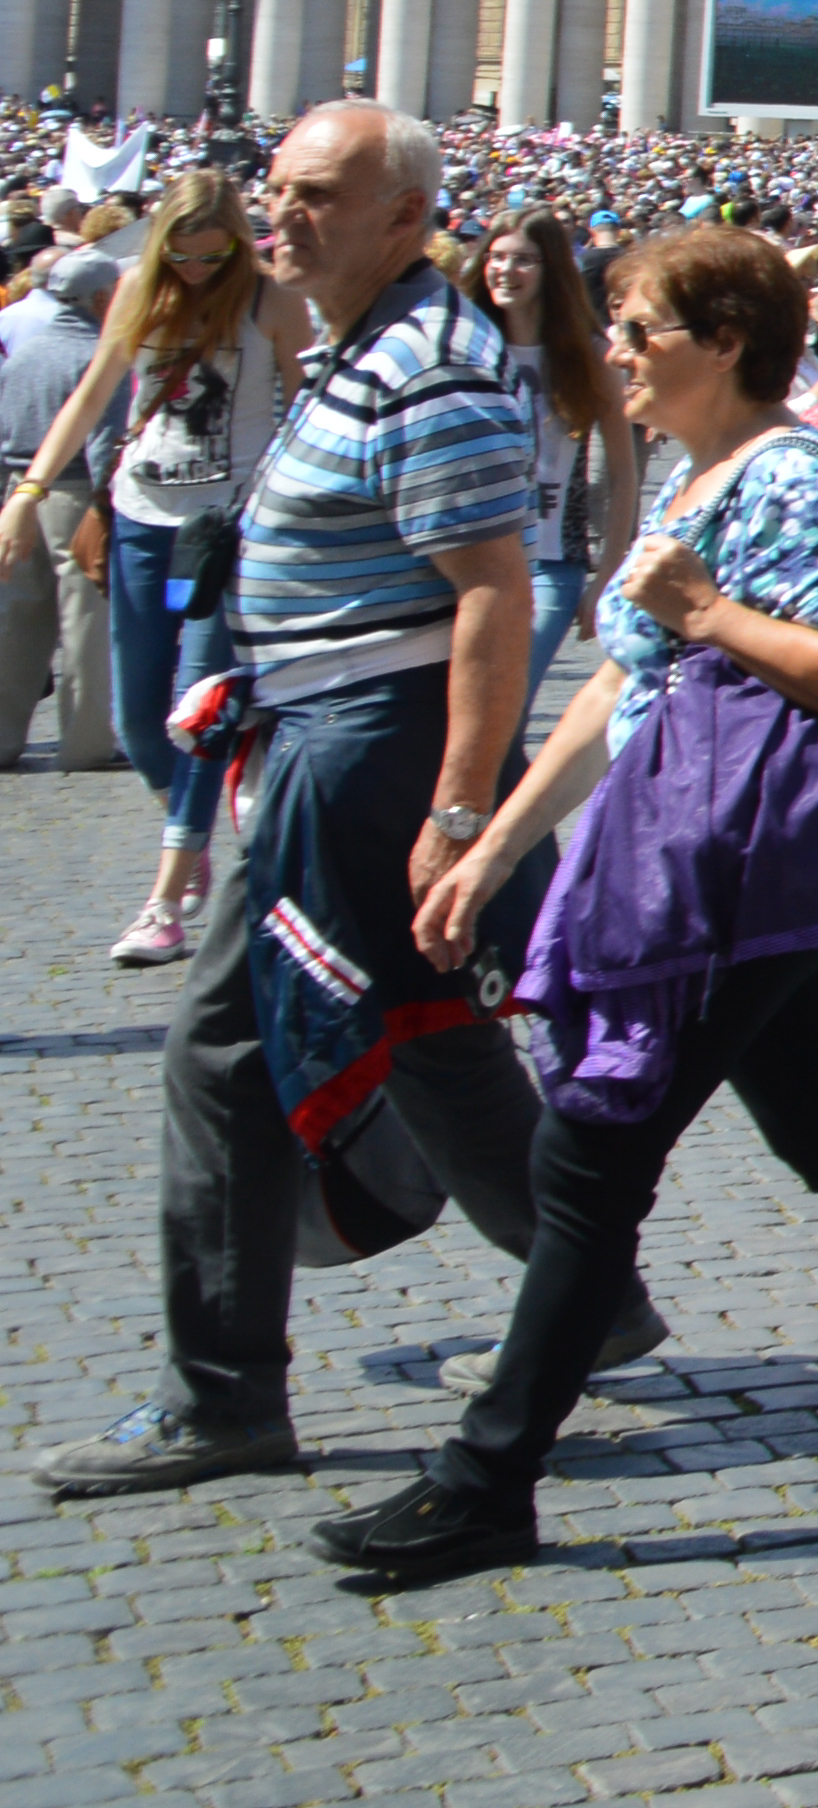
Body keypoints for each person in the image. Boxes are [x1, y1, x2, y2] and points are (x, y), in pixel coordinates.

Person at [310, 222, 818, 1583]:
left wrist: (706, 611)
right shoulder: (693, 478)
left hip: (729, 870)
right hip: (703, 856)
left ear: (726, 342)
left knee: (593, 1157)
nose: (617, 352)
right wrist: (490, 842)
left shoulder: (791, 478)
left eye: (639, 329)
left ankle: (487, 1476)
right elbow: (617, 684)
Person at [39, 107, 623, 1508]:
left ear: (403, 216)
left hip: (365, 743)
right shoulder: (352, 344)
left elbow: (490, 595)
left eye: (316, 194)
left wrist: (459, 805)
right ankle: (590, 1293)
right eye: (279, 190)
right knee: (427, 1029)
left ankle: (223, 1394)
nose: (280, 215)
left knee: (226, 1052)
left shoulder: (428, 367)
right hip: (327, 726)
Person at [15, 166, 293, 966]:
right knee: (138, 721)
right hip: (142, 514)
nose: (196, 270)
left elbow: (303, 397)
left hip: (225, 526)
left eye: (212, 256)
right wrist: (29, 493)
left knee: (194, 707)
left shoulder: (269, 299)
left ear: (236, 244)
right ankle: (189, 824)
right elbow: (92, 394)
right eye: (183, 255)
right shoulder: (139, 288)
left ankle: (164, 901)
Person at [477, 211, 632, 691]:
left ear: (553, 270)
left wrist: (608, 573)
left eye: (523, 260)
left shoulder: (589, 354)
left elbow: (623, 473)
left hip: (552, 558)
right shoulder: (468, 346)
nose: (506, 270)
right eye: (496, 257)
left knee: (508, 698)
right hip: (473, 558)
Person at [0, 243, 123, 773]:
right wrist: (106, 504)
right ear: (101, 299)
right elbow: (104, 441)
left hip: (18, 490)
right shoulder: (96, 356)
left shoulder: (25, 353)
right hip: (74, 492)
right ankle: (86, 740)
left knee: (17, 621)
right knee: (85, 620)